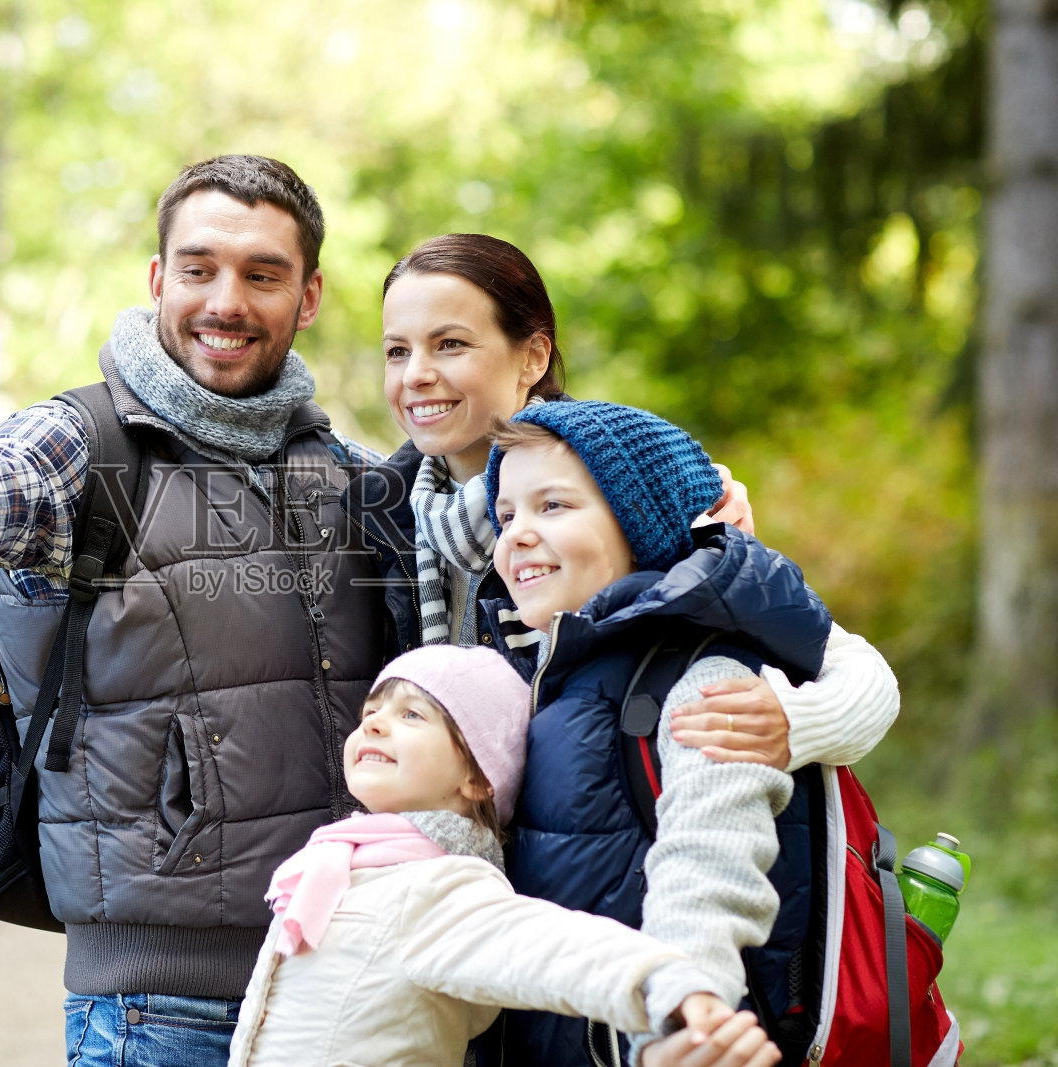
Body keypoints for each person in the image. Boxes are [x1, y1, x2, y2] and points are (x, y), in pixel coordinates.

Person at [0, 155, 391, 1067]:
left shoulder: (346, 469)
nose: (226, 301)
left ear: (308, 297)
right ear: (158, 280)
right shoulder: (85, 441)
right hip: (161, 1008)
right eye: (199, 269)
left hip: (344, 990)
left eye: (262, 275)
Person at [344, 232, 898, 780]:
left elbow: (850, 667)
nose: (415, 374)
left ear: (532, 356)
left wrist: (794, 724)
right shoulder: (374, 516)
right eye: (397, 351)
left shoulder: (629, 483)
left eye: (450, 344)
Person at [481, 400, 839, 1065]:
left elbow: (709, 859)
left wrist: (682, 1009)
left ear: (640, 522)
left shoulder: (702, 678)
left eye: (552, 506)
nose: (517, 535)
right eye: (506, 516)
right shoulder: (556, 672)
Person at [228, 644, 783, 1067]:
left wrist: (668, 982)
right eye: (371, 711)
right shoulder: (344, 865)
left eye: (413, 715)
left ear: (477, 777)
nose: (373, 722)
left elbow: (548, 949)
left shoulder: (438, 888)